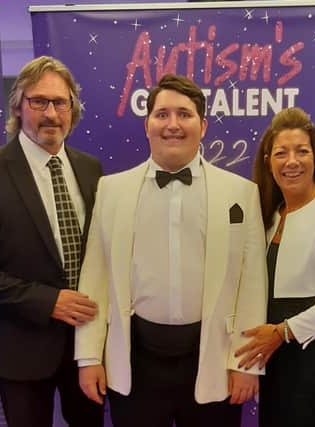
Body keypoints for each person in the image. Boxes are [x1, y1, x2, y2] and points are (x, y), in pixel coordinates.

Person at [75, 74, 267, 427]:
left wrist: (246, 363)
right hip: (135, 361)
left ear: (203, 125)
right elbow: (94, 279)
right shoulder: (111, 190)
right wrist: (88, 357)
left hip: (213, 360)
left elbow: (252, 286)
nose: (173, 124)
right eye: (162, 114)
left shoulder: (241, 193)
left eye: (184, 114)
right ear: (147, 124)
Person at [0, 56, 104, 427]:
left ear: (72, 109)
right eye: (39, 102)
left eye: (60, 102)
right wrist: (47, 301)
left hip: (87, 348)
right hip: (20, 350)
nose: (51, 113)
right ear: (18, 107)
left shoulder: (91, 169)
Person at [234, 107, 315, 427]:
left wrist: (282, 332)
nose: (292, 161)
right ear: (268, 161)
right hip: (275, 356)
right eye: (281, 153)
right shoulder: (270, 214)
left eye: (302, 151)